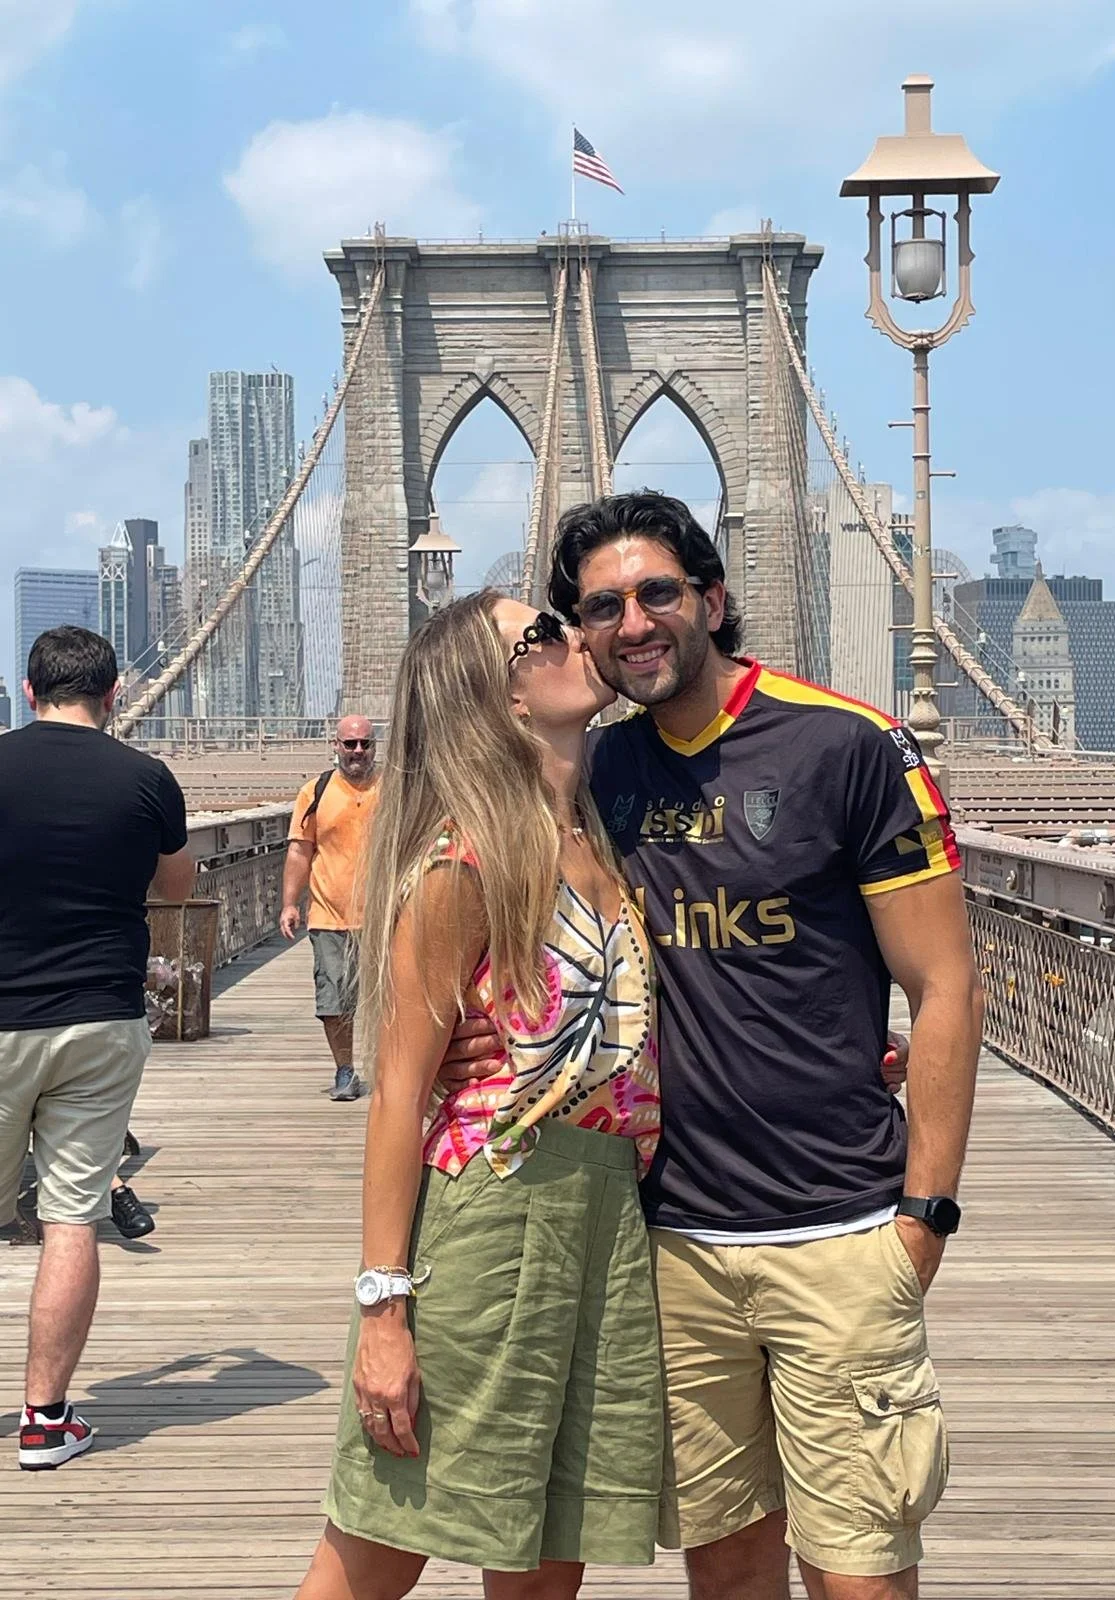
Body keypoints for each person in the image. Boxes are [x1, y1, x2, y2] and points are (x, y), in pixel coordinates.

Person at [445, 491, 984, 1600]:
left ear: (713, 598)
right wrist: (470, 1038)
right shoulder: (596, 774)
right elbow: (489, 909)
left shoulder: (850, 746)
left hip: (840, 1227)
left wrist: (923, 1218)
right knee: (727, 1569)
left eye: (657, 593)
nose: (633, 622)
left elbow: (943, 986)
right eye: (601, 606)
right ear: (579, 631)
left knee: (859, 1573)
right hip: (670, 1241)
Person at [296, 593, 663, 1600]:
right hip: (492, 1215)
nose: (571, 635)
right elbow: (398, 1095)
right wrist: (383, 1310)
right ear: (493, 694)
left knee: (550, 1554)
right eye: (540, 631)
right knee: (377, 1548)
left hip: (605, 1223)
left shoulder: (598, 841)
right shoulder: (462, 862)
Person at [0, 626, 193, 1470]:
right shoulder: (147, 779)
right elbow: (177, 889)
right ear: (115, 695)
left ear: (28, 689)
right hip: (99, 1018)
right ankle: (46, 1424)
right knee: (70, 1216)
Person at [281, 715, 381, 1101]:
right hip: (329, 914)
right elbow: (299, 849)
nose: (358, 751)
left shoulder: (394, 788)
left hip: (386, 914)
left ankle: (393, 1071)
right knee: (334, 999)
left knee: (390, 998)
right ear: (335, 746)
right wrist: (290, 903)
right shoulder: (315, 792)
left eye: (365, 744)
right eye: (350, 744)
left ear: (374, 747)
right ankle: (345, 1069)